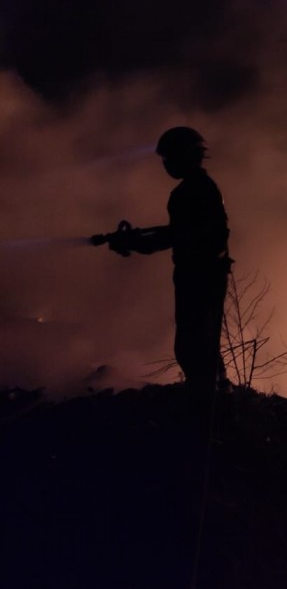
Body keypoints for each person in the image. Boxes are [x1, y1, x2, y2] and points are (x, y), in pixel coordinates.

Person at [95, 127, 232, 394]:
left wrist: (135, 243)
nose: (166, 164)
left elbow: (182, 236)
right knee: (203, 338)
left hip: (199, 275)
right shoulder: (199, 189)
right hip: (205, 273)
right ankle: (218, 392)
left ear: (185, 156)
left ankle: (206, 399)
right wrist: (137, 240)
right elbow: (179, 231)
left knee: (193, 341)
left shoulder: (191, 192)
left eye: (169, 157)